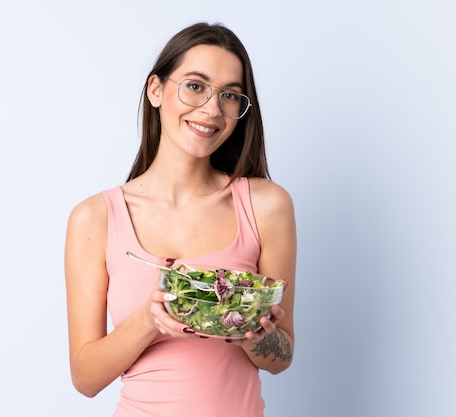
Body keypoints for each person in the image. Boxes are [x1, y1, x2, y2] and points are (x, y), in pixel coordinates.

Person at [64, 22, 296, 417]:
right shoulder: (95, 218)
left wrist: (251, 333)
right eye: (195, 85)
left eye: (230, 95)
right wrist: (149, 320)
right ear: (156, 90)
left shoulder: (267, 206)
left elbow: (281, 356)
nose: (211, 109)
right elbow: (86, 379)